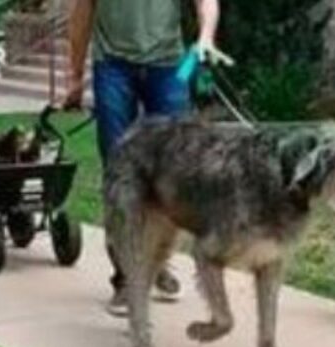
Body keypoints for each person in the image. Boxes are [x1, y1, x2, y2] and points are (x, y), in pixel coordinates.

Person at [64, 0, 231, 316]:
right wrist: (74, 73)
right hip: (112, 67)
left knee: (173, 173)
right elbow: (81, 11)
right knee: (120, 175)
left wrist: (206, 36)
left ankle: (158, 263)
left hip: (170, 68)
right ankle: (127, 277)